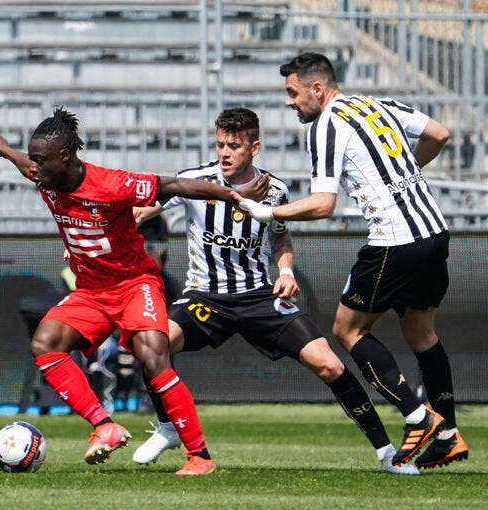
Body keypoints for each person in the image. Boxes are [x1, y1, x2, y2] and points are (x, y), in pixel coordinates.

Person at [131, 107, 420, 475]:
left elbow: (281, 239)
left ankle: (387, 454)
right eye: (220, 144)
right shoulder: (194, 180)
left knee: (329, 364)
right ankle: (170, 427)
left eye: (233, 146)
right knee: (151, 344)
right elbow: (141, 213)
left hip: (258, 297)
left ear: (254, 148)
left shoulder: (276, 191)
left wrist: (284, 270)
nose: (224, 153)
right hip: (205, 297)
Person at [0, 106, 267, 475]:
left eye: (41, 160)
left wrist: (232, 196)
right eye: (33, 160)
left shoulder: (110, 183)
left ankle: (200, 457)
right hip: (91, 291)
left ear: (65, 157)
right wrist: (4, 148)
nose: (34, 168)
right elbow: (24, 162)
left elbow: (174, 186)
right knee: (45, 343)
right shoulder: (45, 175)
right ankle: (105, 426)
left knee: (154, 355)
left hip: (134, 284)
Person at [233, 53, 468, 469]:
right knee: (420, 333)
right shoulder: (376, 103)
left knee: (347, 329)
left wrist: (267, 213)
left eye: (293, 92)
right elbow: (440, 133)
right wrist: (403, 172)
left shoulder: (326, 125)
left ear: (317, 89)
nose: (289, 102)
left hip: (394, 240)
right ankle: (447, 433)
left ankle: (418, 416)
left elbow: (323, 204)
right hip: (434, 231)